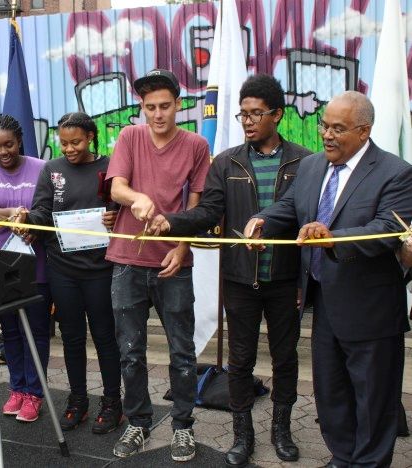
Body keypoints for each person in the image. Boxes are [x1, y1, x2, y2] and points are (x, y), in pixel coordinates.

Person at [146, 75, 311, 466]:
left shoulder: (305, 162)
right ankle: (243, 435)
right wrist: (173, 222)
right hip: (239, 279)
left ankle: (282, 430)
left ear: (278, 115)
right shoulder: (227, 162)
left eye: (257, 114)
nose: (248, 121)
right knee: (240, 361)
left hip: (286, 280)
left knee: (286, 358)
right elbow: (207, 212)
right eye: (243, 114)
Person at [244, 91, 412, 467]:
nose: (327, 135)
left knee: (373, 396)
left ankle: (369, 462)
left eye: (338, 129)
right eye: (324, 125)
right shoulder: (312, 165)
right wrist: (263, 219)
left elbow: (386, 229)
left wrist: (333, 238)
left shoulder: (395, 173)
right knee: (330, 389)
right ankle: (343, 454)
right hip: (323, 302)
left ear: (364, 130)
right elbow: (290, 206)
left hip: (371, 309)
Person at [105, 69, 210, 462]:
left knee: (183, 352)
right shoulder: (130, 136)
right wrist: (136, 198)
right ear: (142, 107)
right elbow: (116, 187)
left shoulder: (196, 145)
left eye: (165, 106)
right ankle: (139, 422)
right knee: (130, 350)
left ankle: (183, 426)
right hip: (126, 261)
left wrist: (183, 248)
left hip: (173, 263)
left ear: (178, 104)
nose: (158, 114)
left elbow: (197, 205)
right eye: (150, 107)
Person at [14, 112, 122, 433]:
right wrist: (29, 218)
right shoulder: (52, 169)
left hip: (101, 268)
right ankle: (78, 401)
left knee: (104, 337)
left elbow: (124, 208)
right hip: (62, 268)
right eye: (63, 143)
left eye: (75, 142)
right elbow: (43, 209)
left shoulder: (111, 167)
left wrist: (115, 217)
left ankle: (112, 402)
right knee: (72, 338)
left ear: (91, 137)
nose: (69, 149)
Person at [0, 114, 52, 423]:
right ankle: (17, 388)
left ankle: (35, 393)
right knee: (11, 332)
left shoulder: (43, 169)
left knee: (37, 331)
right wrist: (14, 214)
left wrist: (34, 224)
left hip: (37, 263)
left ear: (20, 141)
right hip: (0, 267)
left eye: (9, 145)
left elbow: (48, 211)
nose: (3, 152)